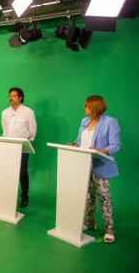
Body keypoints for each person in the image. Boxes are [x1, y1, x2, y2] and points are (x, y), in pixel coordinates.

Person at [70, 95, 121, 244]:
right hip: (83, 165)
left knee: (104, 197)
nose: (83, 108)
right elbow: (79, 140)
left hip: (101, 166)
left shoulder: (110, 122)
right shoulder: (84, 121)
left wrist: (100, 150)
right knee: (88, 196)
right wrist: (73, 145)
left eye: (85, 105)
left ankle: (109, 229)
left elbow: (116, 145)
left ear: (94, 107)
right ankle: (90, 221)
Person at [1, 87, 37, 208]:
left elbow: (32, 130)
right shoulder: (5, 112)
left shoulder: (28, 112)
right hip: (8, 146)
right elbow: (4, 129)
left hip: (22, 147)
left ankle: (24, 197)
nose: (11, 98)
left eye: (14, 95)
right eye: (10, 95)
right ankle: (8, 195)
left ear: (20, 97)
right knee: (8, 171)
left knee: (21, 172)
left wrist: (27, 143)